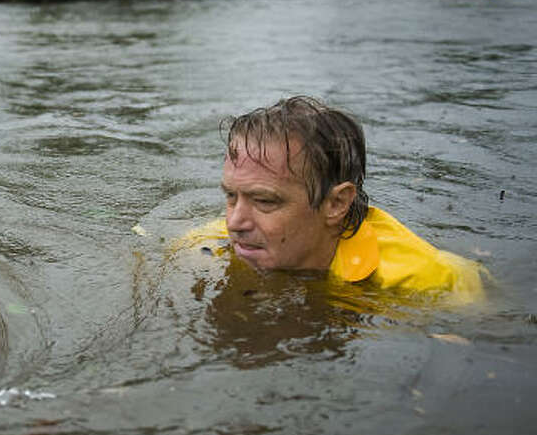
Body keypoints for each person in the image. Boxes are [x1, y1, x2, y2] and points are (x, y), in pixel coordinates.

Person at [180, 96, 487, 303]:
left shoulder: (434, 284)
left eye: (264, 202)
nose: (234, 223)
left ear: (336, 204)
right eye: (231, 196)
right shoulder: (206, 244)